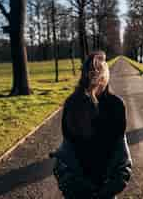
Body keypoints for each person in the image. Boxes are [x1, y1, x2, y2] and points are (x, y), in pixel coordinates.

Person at [50, 51, 132, 199]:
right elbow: (121, 154)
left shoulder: (73, 102)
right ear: (104, 77)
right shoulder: (115, 105)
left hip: (87, 189)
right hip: (89, 189)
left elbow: (66, 148)